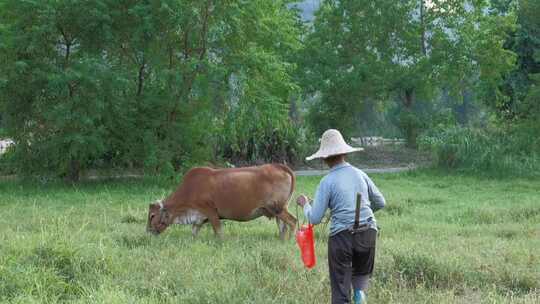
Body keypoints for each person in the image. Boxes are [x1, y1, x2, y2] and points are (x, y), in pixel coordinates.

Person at [296, 129, 386, 304]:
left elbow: (314, 219)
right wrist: (359, 217)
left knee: (341, 291)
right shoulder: (361, 174)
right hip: (368, 233)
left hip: (342, 238)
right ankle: (359, 298)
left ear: (323, 158)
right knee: (359, 285)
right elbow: (380, 202)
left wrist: (305, 204)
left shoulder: (327, 181)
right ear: (345, 153)